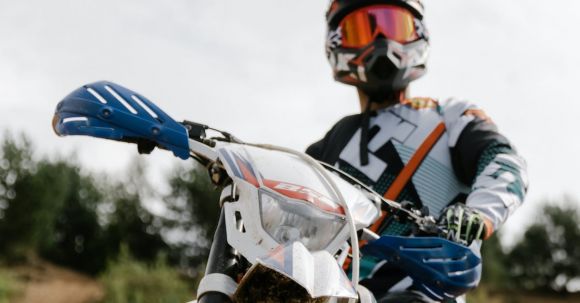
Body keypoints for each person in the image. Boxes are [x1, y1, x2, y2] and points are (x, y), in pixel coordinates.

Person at [306, 0, 529, 302]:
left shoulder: (449, 117)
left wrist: (478, 214)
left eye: (394, 26)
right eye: (363, 30)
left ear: (418, 35)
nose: (381, 41)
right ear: (337, 44)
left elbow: (504, 161)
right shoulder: (328, 145)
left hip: (425, 293)